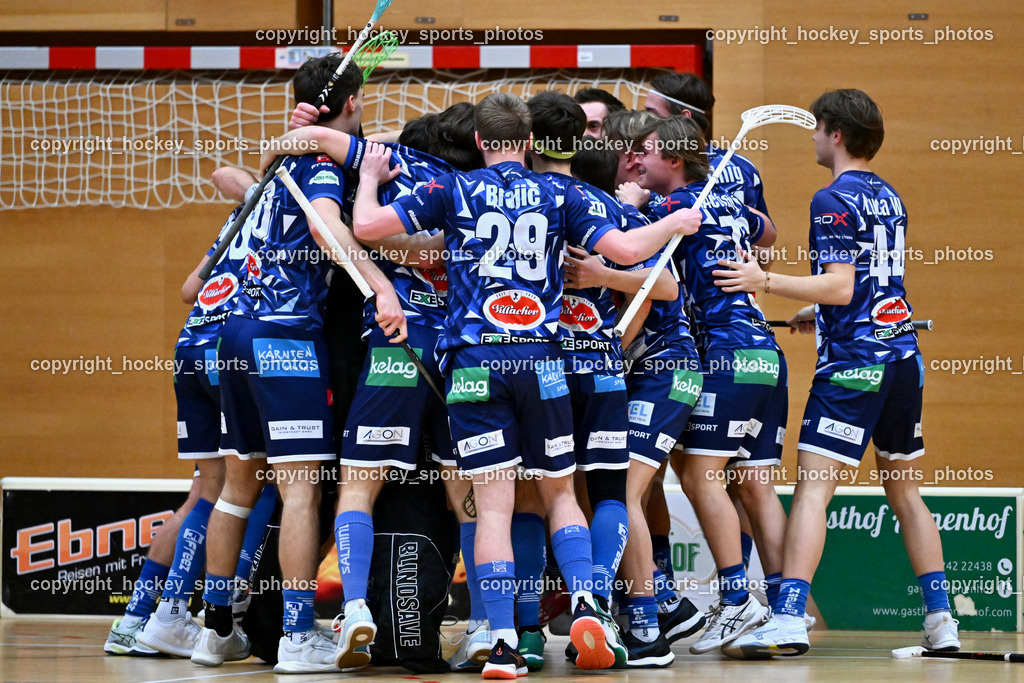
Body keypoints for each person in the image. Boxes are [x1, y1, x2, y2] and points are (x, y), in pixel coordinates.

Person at [352, 92, 701, 677]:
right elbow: (624, 250)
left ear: (483, 142)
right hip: (541, 364)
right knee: (563, 494)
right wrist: (675, 221)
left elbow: (365, 228)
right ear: (530, 141)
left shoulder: (453, 189)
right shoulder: (560, 192)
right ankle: (589, 605)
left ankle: (506, 641)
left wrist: (366, 180)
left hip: (472, 366)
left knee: (494, 508)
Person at [716, 88, 959, 659]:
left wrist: (766, 283)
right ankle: (941, 621)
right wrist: (817, 308)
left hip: (854, 365)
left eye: (817, 127)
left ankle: (790, 618)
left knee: (814, 489)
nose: (812, 137)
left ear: (837, 134)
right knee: (906, 492)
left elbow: (841, 284)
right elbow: (869, 284)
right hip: (903, 360)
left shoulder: (832, 198)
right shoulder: (888, 195)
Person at [191, 54, 406, 674]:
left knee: (237, 489)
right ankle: (294, 636)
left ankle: (216, 629)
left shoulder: (281, 160)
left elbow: (230, 177)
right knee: (301, 490)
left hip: (231, 331)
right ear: (355, 102)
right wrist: (376, 283)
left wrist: (295, 135)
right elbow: (325, 230)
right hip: (285, 338)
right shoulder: (314, 168)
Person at [621, 115, 783, 654]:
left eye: (645, 152)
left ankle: (737, 599)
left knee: (699, 477)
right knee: (753, 484)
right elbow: (767, 231)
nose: (637, 162)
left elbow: (627, 246)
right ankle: (784, 612)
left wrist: (629, 201)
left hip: (726, 353)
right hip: (766, 353)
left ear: (673, 160)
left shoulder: (667, 208)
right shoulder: (731, 203)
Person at [104, 169, 276, 657]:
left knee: (205, 490)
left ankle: (141, 616)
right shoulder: (293, 215)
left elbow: (187, 290)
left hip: (191, 346)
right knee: (247, 485)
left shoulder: (238, 218)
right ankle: (199, 612)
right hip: (234, 351)